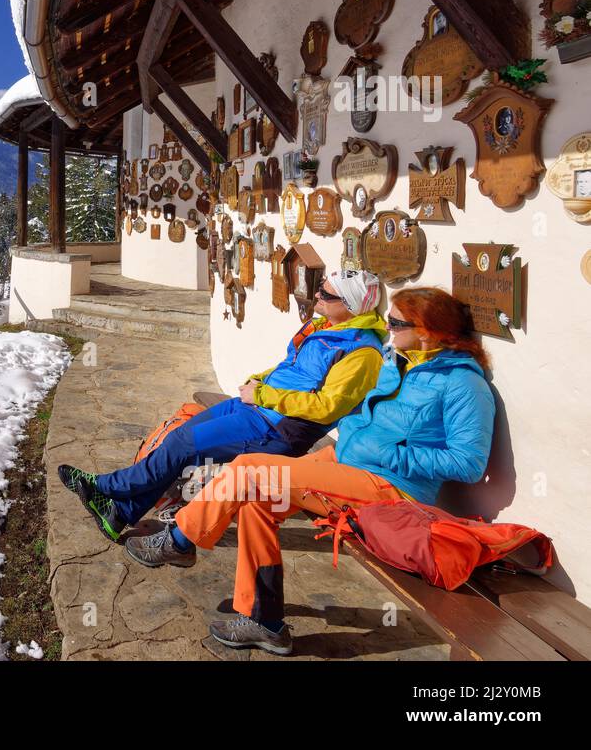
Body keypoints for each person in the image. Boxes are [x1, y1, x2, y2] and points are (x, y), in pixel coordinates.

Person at [125, 287, 496, 656]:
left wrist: (392, 453)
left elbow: (468, 463)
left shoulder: (463, 384)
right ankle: (263, 622)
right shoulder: (400, 361)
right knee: (258, 500)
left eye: (397, 322)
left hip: (390, 485)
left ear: (429, 331)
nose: (388, 327)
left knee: (249, 470)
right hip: (347, 461)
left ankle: (179, 541)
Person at [58, 270, 386, 542]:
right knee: (182, 437)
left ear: (352, 306)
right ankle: (118, 514)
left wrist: (263, 396)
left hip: (276, 426)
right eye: (320, 290)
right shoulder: (325, 328)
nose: (317, 297)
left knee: (183, 444)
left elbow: (327, 407)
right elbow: (291, 367)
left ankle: (105, 486)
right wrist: (259, 380)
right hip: (254, 406)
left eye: (326, 295)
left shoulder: (362, 353)